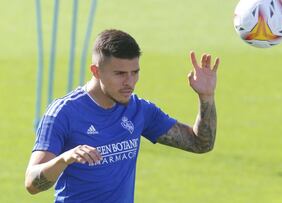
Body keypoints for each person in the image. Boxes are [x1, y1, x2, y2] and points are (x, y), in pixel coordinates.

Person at [25, 29, 220, 202]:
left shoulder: (139, 110)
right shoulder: (63, 113)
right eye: (120, 74)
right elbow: (32, 184)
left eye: (135, 72)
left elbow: (200, 144)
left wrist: (206, 97)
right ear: (96, 71)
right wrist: (64, 158)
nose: (130, 82)